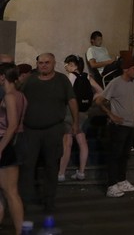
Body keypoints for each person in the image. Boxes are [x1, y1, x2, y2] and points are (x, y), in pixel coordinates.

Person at [19, 53, 78, 213]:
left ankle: (49, 201)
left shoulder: (61, 80)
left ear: (53, 63)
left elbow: (72, 100)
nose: (43, 65)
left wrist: (75, 122)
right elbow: (19, 98)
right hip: (31, 130)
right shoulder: (30, 80)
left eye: (47, 62)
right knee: (27, 166)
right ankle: (23, 201)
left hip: (53, 129)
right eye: (40, 63)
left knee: (52, 166)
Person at [95, 57, 134, 198]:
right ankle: (111, 185)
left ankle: (121, 180)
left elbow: (132, 99)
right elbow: (99, 100)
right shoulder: (115, 83)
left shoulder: (133, 83)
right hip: (119, 126)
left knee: (124, 155)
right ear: (126, 69)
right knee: (115, 155)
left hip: (130, 125)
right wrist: (111, 115)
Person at [58, 55, 102, 181]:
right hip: (84, 112)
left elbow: (66, 95)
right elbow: (101, 91)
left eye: (67, 64)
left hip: (70, 113)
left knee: (67, 142)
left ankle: (61, 173)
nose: (65, 66)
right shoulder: (87, 76)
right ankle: (81, 172)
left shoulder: (71, 76)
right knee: (82, 141)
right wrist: (89, 101)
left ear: (73, 65)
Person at [0, 63, 25, 234]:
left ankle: (20, 231)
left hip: (4, 142)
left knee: (10, 192)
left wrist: (1, 148)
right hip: (9, 142)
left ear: (2, 76)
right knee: (5, 192)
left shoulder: (9, 96)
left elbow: (13, 124)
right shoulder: (20, 95)